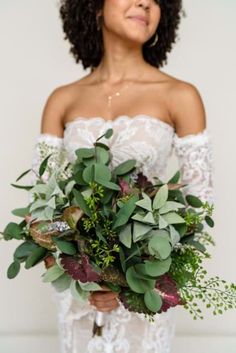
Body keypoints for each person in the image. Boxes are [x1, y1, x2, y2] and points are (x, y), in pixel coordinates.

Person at [29, 0, 214, 352]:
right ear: (94, 7)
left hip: (144, 294)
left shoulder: (181, 96)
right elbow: (43, 202)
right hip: (78, 293)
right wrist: (62, 256)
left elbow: (200, 205)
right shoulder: (62, 100)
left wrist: (128, 280)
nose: (146, 2)